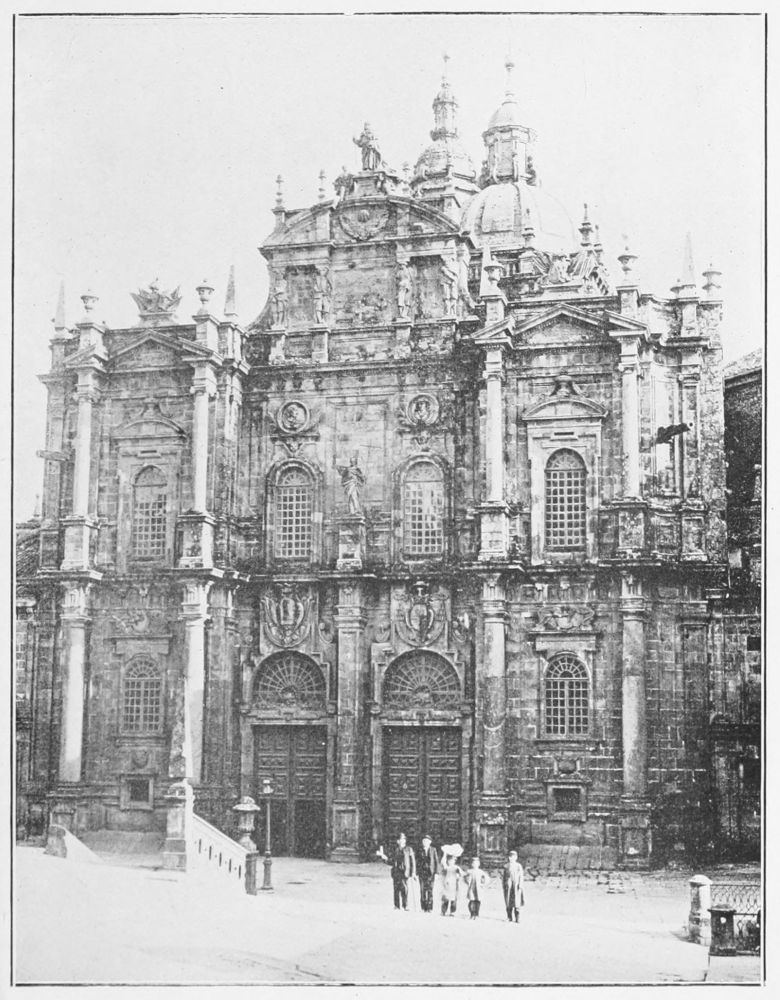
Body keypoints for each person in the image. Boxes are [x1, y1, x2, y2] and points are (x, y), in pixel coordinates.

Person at [377, 833, 416, 911]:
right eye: (400, 840)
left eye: (403, 839)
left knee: (404, 889)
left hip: (405, 872)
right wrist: (384, 858)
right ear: (398, 841)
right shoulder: (395, 849)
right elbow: (391, 861)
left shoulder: (409, 849)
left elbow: (413, 861)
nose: (401, 841)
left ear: (405, 840)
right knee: (396, 889)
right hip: (396, 871)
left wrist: (413, 872)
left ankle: (405, 905)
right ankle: (396, 905)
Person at [418, 834, 440, 913]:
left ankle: (430, 908)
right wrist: (416, 872)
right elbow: (417, 861)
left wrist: (437, 873)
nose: (425, 842)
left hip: (431, 873)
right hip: (422, 873)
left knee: (430, 890)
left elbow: (436, 861)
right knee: (422, 890)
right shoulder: (419, 850)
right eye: (424, 841)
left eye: (427, 841)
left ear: (430, 842)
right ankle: (423, 907)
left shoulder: (433, 850)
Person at [463, 856, 490, 920]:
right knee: (471, 901)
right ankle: (472, 914)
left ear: (479, 864)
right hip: (471, 888)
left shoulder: (481, 872)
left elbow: (487, 878)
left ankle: (476, 914)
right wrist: (467, 882)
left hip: (478, 889)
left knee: (477, 901)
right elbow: (464, 876)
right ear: (471, 864)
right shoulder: (469, 871)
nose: (475, 864)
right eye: (473, 863)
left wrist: (483, 884)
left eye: (476, 863)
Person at [502, 850, 525, 922]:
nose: (512, 858)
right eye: (510, 857)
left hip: (516, 885)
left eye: (513, 857)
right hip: (508, 886)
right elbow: (504, 877)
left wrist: (520, 884)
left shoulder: (518, 866)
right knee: (508, 901)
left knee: (516, 901)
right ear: (509, 858)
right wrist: (504, 885)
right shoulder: (506, 866)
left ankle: (517, 918)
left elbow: (521, 876)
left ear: (516, 858)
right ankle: (509, 917)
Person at [439, 852, 463, 917]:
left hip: (454, 884)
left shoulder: (456, 867)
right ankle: (443, 911)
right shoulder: (446, 867)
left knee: (453, 898)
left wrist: (459, 875)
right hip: (447, 884)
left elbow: (462, 874)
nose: (450, 862)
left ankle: (452, 911)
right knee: (445, 898)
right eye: (449, 861)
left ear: (454, 861)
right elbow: (442, 862)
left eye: (452, 861)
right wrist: (445, 854)